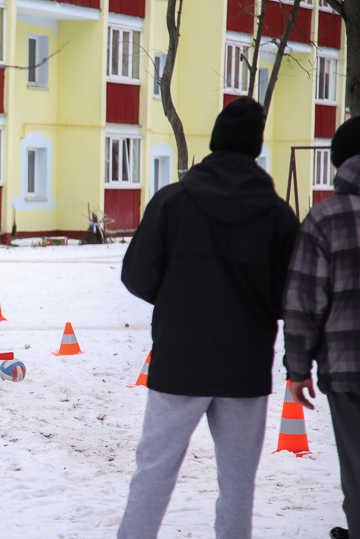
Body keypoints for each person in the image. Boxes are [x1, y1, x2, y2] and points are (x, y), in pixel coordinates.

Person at [117, 97, 299, 538]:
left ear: (215, 142)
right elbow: (289, 298)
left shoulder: (173, 201)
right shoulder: (278, 215)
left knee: (153, 472)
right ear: (256, 148)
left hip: (179, 360)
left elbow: (137, 274)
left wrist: (180, 302)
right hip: (245, 368)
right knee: (237, 484)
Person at [283, 116, 360, 539]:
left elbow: (303, 303)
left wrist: (298, 370)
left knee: (357, 471)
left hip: (348, 370)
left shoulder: (325, 219)